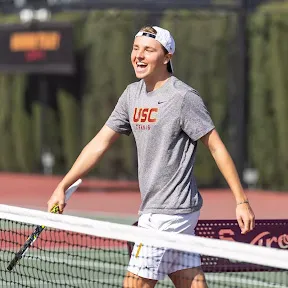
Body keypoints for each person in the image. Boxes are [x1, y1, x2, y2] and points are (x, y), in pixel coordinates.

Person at [47, 26, 255, 288]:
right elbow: (99, 143)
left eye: (148, 50)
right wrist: (63, 185)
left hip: (166, 213)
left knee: (135, 285)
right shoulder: (131, 95)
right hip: (169, 212)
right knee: (190, 280)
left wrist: (241, 201)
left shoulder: (183, 97)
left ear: (167, 56)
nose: (139, 55)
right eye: (136, 48)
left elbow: (216, 147)